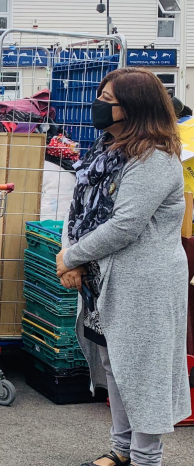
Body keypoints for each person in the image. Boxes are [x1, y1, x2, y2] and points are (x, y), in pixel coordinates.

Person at [55, 68, 191, 466]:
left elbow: (124, 226)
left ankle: (147, 458)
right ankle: (122, 450)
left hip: (145, 283)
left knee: (144, 371)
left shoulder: (155, 158)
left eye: (108, 99)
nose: (99, 105)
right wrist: (71, 257)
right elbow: (77, 210)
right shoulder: (103, 151)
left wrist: (72, 256)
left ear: (134, 109)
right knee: (117, 362)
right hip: (106, 280)